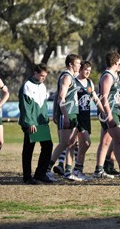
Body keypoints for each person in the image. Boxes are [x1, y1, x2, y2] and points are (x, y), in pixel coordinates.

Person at [93, 52, 120, 179]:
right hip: (107, 111)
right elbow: (104, 98)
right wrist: (109, 116)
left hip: (113, 110)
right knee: (118, 138)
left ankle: (98, 170)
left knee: (106, 141)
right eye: (118, 62)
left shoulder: (114, 75)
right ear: (116, 63)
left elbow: (117, 98)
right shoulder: (108, 76)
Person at [46, 54, 82, 182]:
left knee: (71, 143)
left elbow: (57, 95)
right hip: (67, 114)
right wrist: (64, 115)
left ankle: (68, 171)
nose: (80, 65)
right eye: (78, 63)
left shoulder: (71, 76)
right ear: (71, 64)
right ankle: (46, 169)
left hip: (72, 113)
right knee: (64, 143)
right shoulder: (67, 77)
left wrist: (56, 113)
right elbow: (61, 97)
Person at [19, 63, 53, 184]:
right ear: (35, 73)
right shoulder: (27, 86)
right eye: (42, 76)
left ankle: (40, 174)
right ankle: (27, 177)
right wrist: (30, 123)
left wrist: (45, 120)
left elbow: (43, 106)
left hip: (41, 123)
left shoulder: (43, 87)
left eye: (45, 76)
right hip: (31, 123)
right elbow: (25, 107)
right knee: (29, 149)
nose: (44, 78)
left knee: (48, 146)